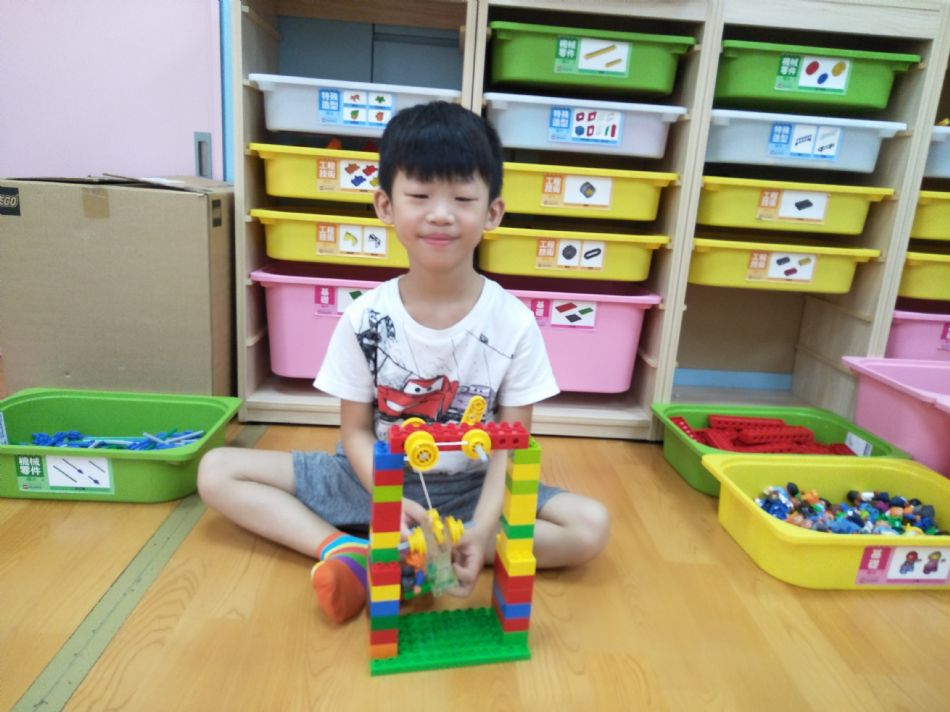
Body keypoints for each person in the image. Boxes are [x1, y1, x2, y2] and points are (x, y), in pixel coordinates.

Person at [198, 101, 610, 624]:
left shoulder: (515, 323)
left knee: (590, 525)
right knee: (217, 470)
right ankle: (348, 550)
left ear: (492, 213)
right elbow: (354, 433)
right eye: (419, 196)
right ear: (385, 205)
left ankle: (442, 550)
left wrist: (484, 526)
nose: (440, 214)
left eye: (463, 198)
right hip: (371, 480)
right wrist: (387, 497)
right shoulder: (364, 318)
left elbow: (513, 446)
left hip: (471, 489)